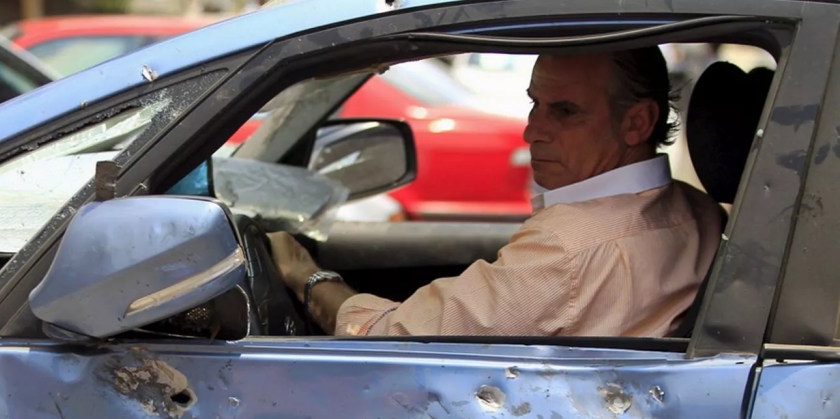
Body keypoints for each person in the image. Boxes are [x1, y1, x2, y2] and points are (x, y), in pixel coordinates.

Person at [271, 48, 723, 337]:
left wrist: (305, 276)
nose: (532, 131)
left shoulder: (567, 248)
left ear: (637, 123)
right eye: (534, 104)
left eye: (565, 112)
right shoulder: (697, 209)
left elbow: (390, 336)